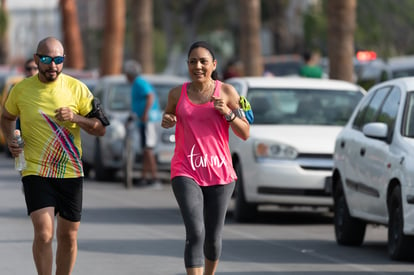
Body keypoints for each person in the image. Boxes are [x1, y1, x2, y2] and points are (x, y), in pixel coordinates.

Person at [0, 36, 108, 275]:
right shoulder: (21, 89)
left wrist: (76, 118)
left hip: (70, 170)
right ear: (37, 60)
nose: (53, 66)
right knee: (44, 232)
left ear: (63, 60)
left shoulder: (77, 88)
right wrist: (10, 140)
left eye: (58, 60)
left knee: (68, 236)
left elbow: (100, 128)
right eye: (47, 59)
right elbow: (6, 117)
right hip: (36, 170)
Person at [161, 41, 250, 275]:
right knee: (196, 232)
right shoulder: (176, 94)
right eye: (192, 61)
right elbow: (168, 116)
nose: (197, 66)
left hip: (220, 173)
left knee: (212, 237)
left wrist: (228, 113)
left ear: (213, 65)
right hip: (185, 170)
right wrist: (167, 120)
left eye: (203, 61)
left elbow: (245, 132)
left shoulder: (228, 92)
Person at [124, 60, 163, 188]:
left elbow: (150, 96)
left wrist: (146, 113)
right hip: (142, 121)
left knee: (148, 148)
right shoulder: (136, 84)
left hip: (149, 120)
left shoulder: (139, 82)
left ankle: (155, 178)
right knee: (145, 149)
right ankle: (144, 177)